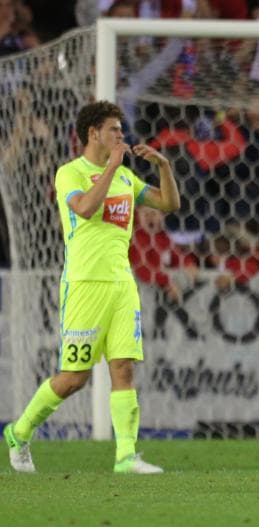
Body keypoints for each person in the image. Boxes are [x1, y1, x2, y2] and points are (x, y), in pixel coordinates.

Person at [3, 101, 181, 474]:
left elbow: (169, 203)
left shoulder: (127, 179)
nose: (121, 135)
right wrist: (113, 166)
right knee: (74, 379)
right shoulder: (70, 173)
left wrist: (163, 166)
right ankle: (19, 433)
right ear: (93, 133)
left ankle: (126, 457)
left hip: (121, 284)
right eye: (114, 129)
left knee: (124, 369)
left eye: (122, 129)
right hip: (85, 284)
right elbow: (84, 208)